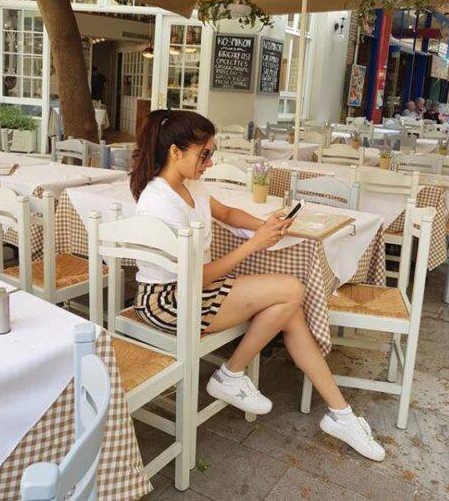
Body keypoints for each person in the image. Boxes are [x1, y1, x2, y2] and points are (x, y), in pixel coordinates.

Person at [130, 110, 386, 462]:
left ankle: (341, 415)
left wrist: (265, 226)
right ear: (175, 152)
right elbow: (193, 277)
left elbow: (227, 214)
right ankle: (230, 374)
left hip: (194, 290)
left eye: (211, 153)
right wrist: (254, 244)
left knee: (290, 308)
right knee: (292, 290)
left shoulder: (191, 186)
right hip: (167, 302)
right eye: (204, 154)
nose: (210, 162)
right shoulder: (158, 203)